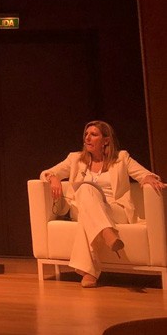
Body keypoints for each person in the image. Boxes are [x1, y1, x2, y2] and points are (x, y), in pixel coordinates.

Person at [40, 120, 164, 288]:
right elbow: (47, 172)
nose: (88, 138)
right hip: (84, 207)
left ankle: (90, 272)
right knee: (85, 190)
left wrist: (148, 178)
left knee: (87, 215)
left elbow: (145, 175)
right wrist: (53, 178)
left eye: (94, 134)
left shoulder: (121, 158)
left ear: (106, 140)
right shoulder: (75, 159)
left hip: (114, 209)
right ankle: (107, 233)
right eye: (86, 134)